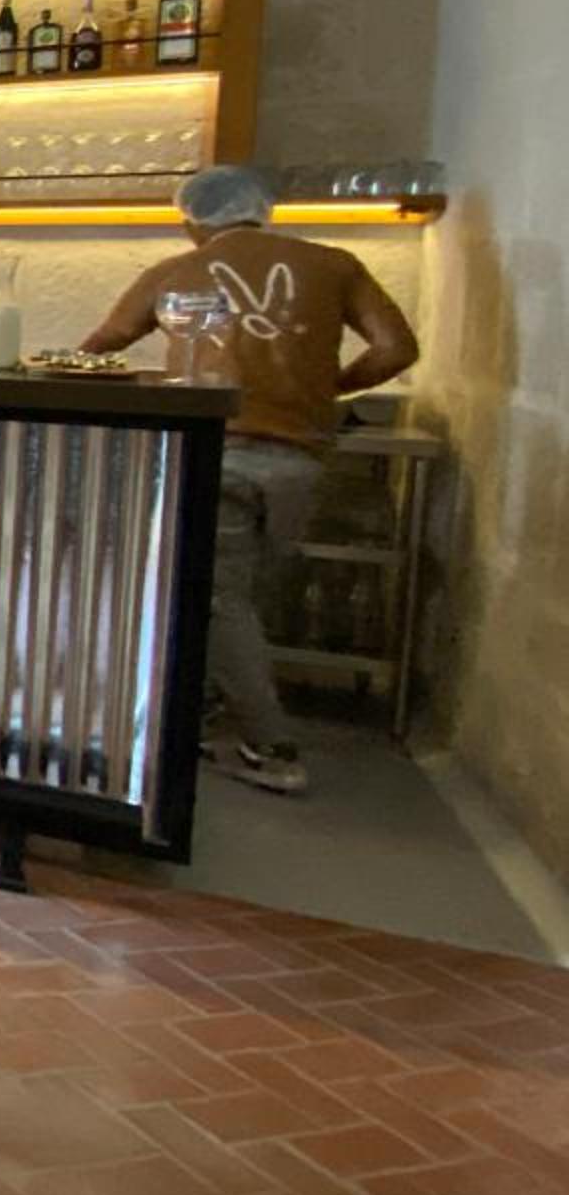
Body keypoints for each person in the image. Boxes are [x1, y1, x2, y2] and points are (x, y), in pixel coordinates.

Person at [80, 164, 419, 794]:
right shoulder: (335, 264)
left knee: (216, 598)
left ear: (191, 221)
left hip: (217, 450)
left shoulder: (176, 272)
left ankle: (271, 747)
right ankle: (206, 712)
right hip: (302, 459)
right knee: (240, 597)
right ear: (264, 210)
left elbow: (99, 347)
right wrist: (329, 389)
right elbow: (397, 349)